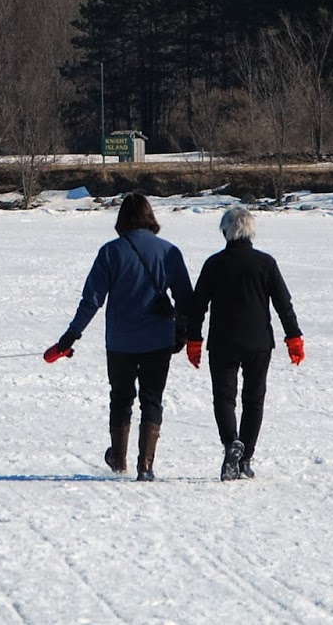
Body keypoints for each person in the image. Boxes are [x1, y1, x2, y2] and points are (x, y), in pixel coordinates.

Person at [44, 192, 193, 481]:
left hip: (120, 341)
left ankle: (119, 461)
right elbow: (186, 298)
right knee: (152, 399)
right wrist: (183, 333)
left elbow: (92, 300)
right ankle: (146, 466)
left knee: (121, 398)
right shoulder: (169, 251)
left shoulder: (110, 252)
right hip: (158, 340)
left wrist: (70, 337)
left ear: (122, 219)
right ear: (150, 217)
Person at [183, 206, 304, 481]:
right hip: (259, 342)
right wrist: (293, 337)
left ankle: (231, 444)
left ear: (226, 231)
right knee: (253, 399)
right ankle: (245, 457)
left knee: (224, 398)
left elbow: (197, 306)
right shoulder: (266, 263)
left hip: (223, 342)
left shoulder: (214, 264)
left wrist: (194, 340)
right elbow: (283, 304)